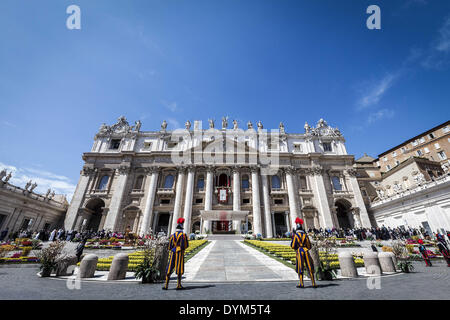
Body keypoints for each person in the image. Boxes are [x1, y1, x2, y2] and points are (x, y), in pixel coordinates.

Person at [163, 218, 189, 290]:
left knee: (169, 267)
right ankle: (179, 285)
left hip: (173, 251)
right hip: (179, 252)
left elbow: (170, 246)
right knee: (179, 268)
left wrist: (172, 249)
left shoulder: (172, 235)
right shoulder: (183, 235)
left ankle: (166, 285)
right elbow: (185, 245)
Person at [290, 217, 317, 288]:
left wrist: (297, 248)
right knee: (309, 266)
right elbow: (309, 245)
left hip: (299, 252)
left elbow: (293, 245)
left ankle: (301, 283)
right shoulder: (305, 235)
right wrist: (306, 248)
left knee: (300, 267)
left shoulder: (296, 236)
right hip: (306, 251)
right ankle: (313, 283)